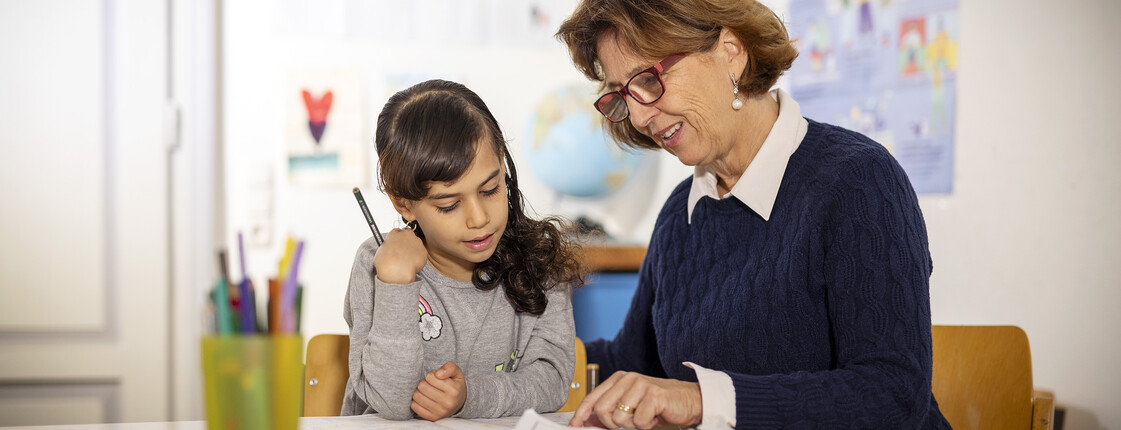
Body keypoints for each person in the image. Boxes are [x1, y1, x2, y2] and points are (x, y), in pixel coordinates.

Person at [555, 0, 950, 428]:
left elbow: (891, 393)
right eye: (621, 95)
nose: (638, 115)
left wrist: (705, 401)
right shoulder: (679, 216)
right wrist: (501, 366)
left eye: (649, 79)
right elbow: (631, 361)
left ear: (731, 52)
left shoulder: (859, 181)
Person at [341, 79, 586, 420]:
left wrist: (469, 396)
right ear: (403, 202)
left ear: (502, 164)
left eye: (490, 189)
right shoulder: (377, 263)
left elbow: (553, 380)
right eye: (448, 205)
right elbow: (392, 402)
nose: (479, 218)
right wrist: (396, 283)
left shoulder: (540, 263)